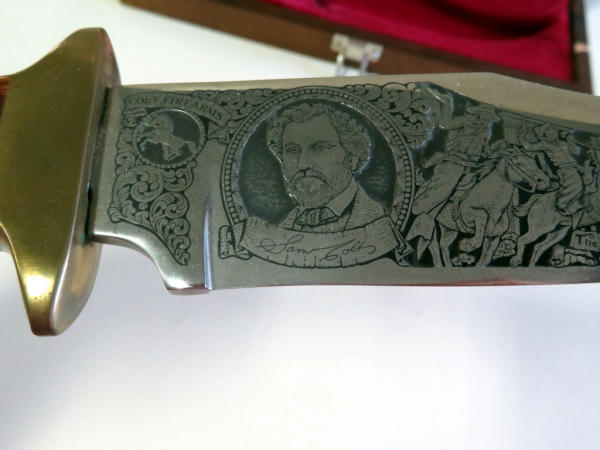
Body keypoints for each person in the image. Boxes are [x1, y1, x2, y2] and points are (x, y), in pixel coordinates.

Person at [266, 102, 385, 233]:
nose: (303, 164)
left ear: (352, 157)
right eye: (292, 150)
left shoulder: (380, 222)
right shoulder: (278, 229)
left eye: (319, 148)